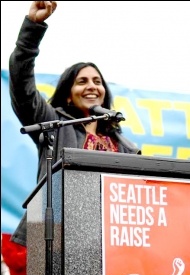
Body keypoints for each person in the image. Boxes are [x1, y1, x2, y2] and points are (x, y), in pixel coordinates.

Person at [9, 1, 141, 248]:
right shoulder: (55, 125)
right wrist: (33, 28)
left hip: (112, 239)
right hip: (59, 232)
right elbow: (22, 86)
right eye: (82, 81)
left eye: (97, 81)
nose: (92, 86)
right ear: (69, 94)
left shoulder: (125, 146)